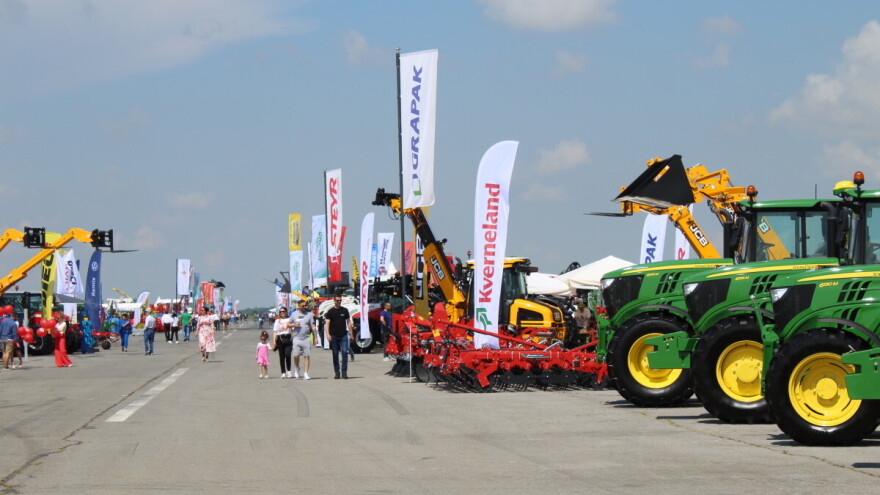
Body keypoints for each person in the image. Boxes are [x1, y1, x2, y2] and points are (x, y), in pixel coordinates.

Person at [324, 296, 354, 379]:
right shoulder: (330, 311)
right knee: (335, 354)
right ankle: (337, 372)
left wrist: (351, 334)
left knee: (344, 352)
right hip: (334, 336)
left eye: (340, 300)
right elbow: (327, 324)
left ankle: (344, 372)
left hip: (343, 335)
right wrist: (327, 334)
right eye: (337, 300)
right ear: (334, 300)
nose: (339, 302)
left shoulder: (345, 310)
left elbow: (348, 322)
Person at [289, 299, 315, 380]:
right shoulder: (294, 314)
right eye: (303, 306)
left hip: (306, 338)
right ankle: (297, 368)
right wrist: (294, 324)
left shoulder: (310, 315)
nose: (304, 307)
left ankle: (306, 373)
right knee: (296, 355)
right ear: (299, 306)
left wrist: (315, 337)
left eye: (305, 305)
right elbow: (288, 324)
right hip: (296, 337)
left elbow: (313, 326)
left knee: (306, 355)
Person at [273, 307, 293, 378]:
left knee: (288, 355)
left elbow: (293, 328)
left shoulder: (290, 319)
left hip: (288, 338)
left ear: (286, 312)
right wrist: (274, 342)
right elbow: (275, 332)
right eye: (281, 312)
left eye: (284, 311)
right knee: (281, 356)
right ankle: (283, 372)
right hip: (280, 339)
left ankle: (289, 371)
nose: (282, 313)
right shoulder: (277, 321)